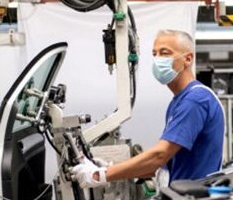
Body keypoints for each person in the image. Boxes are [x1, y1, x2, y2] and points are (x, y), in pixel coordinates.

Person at [71, 29, 225, 189]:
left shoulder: (195, 100)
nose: (158, 59)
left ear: (187, 58)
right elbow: (157, 165)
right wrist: (109, 169)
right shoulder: (178, 102)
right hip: (182, 198)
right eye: (155, 54)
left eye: (165, 53)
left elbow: (159, 155)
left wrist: (99, 176)